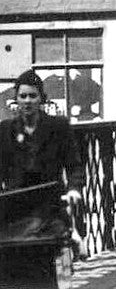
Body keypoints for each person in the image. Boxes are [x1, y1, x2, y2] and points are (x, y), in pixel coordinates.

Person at [0, 70, 84, 242]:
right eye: (23, 96)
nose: (27, 101)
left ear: (41, 98)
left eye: (33, 96)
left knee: (59, 242)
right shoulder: (5, 130)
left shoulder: (59, 127)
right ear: (16, 99)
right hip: (16, 206)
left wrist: (73, 189)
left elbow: (74, 165)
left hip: (50, 204)